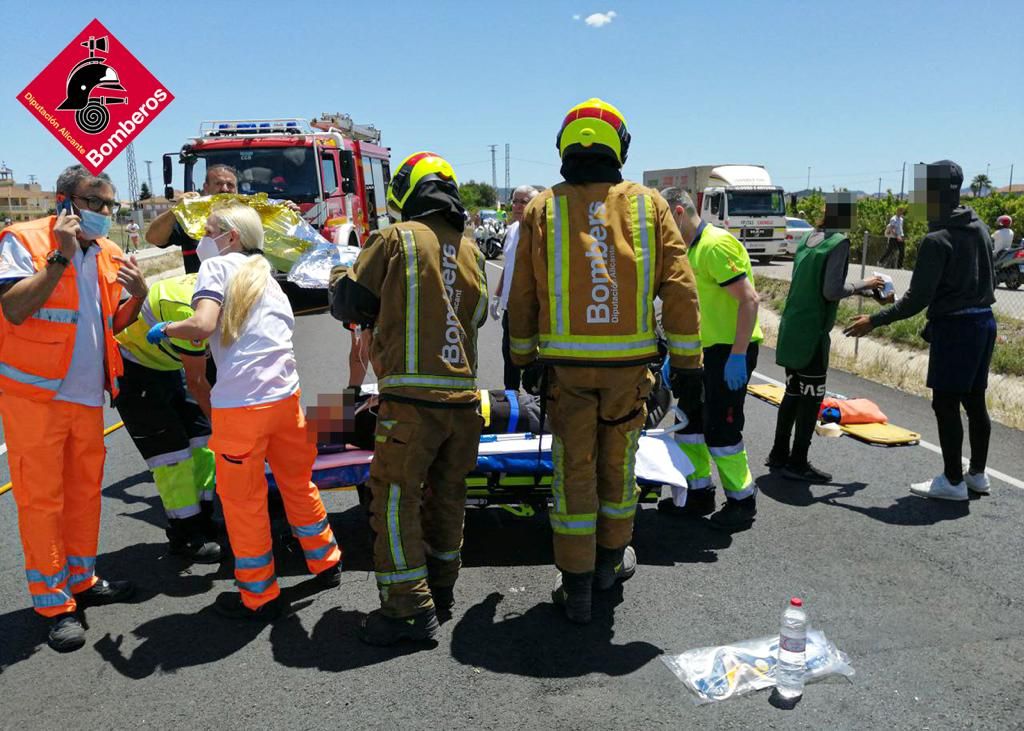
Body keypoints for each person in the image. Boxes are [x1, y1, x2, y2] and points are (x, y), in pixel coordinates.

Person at [508, 99, 702, 624]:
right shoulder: (650, 206)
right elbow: (681, 288)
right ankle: (610, 564)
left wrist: (523, 355)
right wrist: (688, 363)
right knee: (618, 470)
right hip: (628, 377)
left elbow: (522, 295)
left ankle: (575, 585)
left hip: (565, 377)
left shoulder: (542, 210)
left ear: (565, 147)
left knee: (574, 474)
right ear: (620, 146)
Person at [149, 202, 342, 620]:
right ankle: (326, 561)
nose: (204, 237)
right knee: (297, 485)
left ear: (231, 236)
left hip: (242, 406)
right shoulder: (268, 278)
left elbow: (201, 327)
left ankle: (258, 594)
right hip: (286, 401)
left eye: (211, 228)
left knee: (243, 502)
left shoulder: (216, 269)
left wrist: (166, 328)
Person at [330, 151, 487, 645]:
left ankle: (406, 610)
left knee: (395, 501)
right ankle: (441, 591)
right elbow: (478, 314)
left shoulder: (394, 238)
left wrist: (338, 274)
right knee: (448, 498)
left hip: (411, 403)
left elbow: (351, 302)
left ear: (405, 191)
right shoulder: (470, 248)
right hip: (463, 404)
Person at [0, 164, 149, 653]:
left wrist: (140, 297)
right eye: (96, 204)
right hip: (35, 397)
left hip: (88, 397)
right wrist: (59, 259)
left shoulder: (107, 251)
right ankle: (55, 603)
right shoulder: (21, 241)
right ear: (65, 202)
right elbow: (15, 309)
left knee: (85, 496)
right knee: (42, 503)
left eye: (111, 206)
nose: (106, 214)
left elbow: (108, 324)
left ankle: (82, 580)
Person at [846, 160, 997, 501]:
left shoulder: (937, 238)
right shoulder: (979, 227)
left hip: (956, 328)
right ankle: (977, 475)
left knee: (945, 404)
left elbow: (917, 299)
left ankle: (953, 481)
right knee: (975, 401)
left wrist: (875, 320)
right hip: (984, 323)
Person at [657, 186, 762, 529]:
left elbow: (749, 301)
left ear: (677, 212)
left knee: (722, 432)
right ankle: (698, 493)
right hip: (698, 352)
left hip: (728, 351)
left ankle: (742, 501)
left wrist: (738, 355)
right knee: (689, 426)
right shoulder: (687, 249)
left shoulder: (716, 245)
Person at [768, 193, 885, 483]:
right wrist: (866, 284)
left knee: (792, 393)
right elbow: (832, 291)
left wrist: (862, 290)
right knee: (811, 400)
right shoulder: (839, 242)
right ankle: (798, 462)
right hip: (812, 336)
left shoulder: (809, 238)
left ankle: (778, 454)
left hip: (792, 327)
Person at [113, 273, 221, 562]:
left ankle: (204, 519)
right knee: (171, 454)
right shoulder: (188, 312)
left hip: (168, 365)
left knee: (201, 438)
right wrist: (228, 428)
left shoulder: (220, 284)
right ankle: (185, 534)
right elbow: (199, 381)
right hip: (134, 369)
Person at [145, 165, 239, 273]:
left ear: (236, 189)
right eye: (218, 183)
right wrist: (176, 209)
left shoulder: (250, 218)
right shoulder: (191, 218)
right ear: (206, 187)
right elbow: (153, 238)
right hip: (201, 288)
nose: (225, 189)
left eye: (230, 185)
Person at [491, 184, 539, 390]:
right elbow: (508, 265)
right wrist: (497, 295)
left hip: (532, 309)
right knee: (508, 356)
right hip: (510, 308)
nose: (518, 206)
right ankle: (511, 400)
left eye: (524, 201)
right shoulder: (511, 230)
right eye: (515, 201)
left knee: (531, 360)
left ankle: (532, 401)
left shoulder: (539, 232)